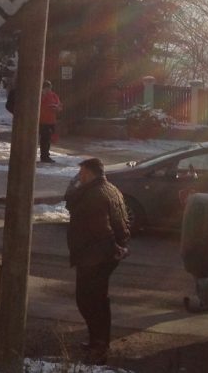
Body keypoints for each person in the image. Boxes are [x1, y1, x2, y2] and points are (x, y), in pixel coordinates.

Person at [64, 157, 130, 366]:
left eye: (82, 173)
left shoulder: (93, 195)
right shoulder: (109, 188)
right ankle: (97, 342)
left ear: (90, 173)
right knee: (99, 300)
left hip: (94, 256)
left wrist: (114, 248)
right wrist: (119, 247)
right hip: (103, 255)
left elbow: (103, 229)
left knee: (88, 301)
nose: (79, 177)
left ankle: (99, 347)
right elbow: (122, 220)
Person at [39, 80, 62, 163]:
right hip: (42, 121)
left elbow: (59, 106)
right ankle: (44, 156)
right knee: (44, 139)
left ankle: (46, 155)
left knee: (48, 139)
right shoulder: (40, 95)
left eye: (49, 88)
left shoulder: (54, 95)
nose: (48, 90)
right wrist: (43, 96)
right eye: (46, 88)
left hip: (51, 121)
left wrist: (56, 108)